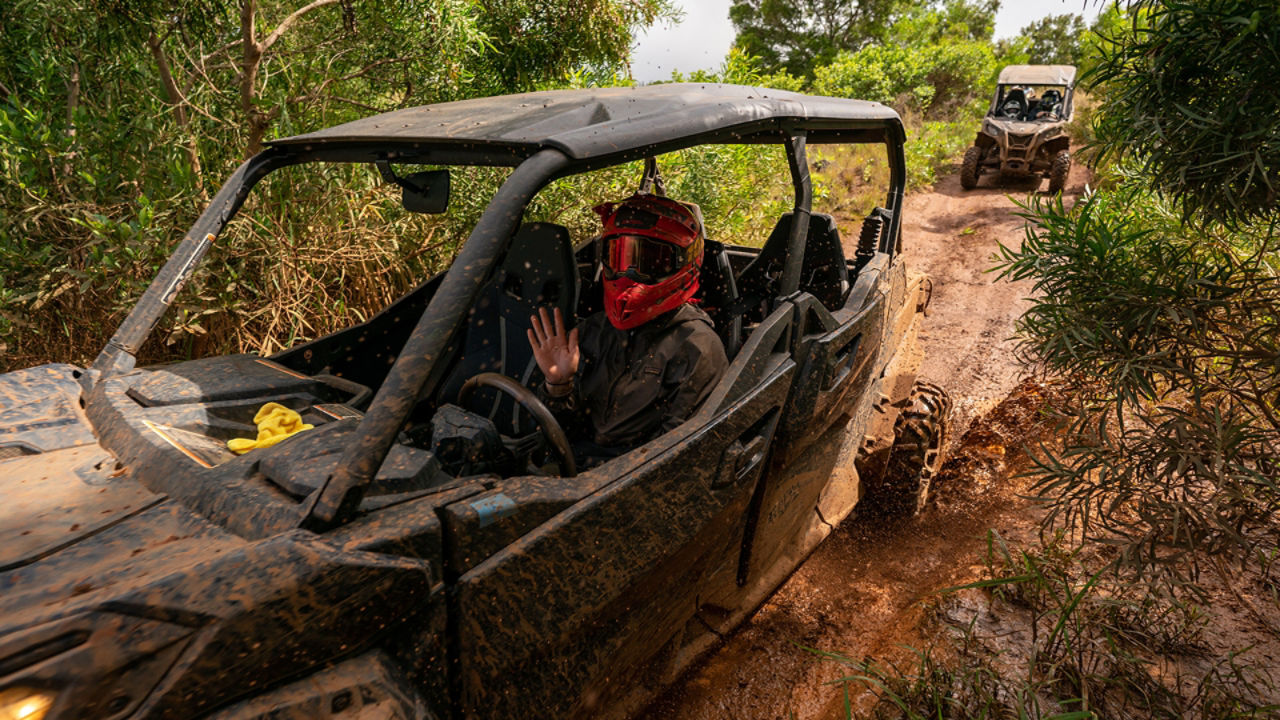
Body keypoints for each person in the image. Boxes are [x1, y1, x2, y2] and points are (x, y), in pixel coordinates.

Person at [526, 192, 728, 465]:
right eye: (619, 258)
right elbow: (566, 431)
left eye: (649, 262)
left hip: (621, 482)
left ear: (683, 262)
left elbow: (674, 458)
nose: (629, 275)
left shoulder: (697, 347)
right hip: (573, 469)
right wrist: (559, 385)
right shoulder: (596, 329)